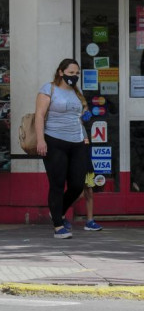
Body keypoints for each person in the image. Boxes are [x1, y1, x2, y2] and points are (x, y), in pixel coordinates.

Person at [35, 59, 90, 239]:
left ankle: (58, 211)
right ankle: (58, 225)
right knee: (57, 184)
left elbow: (79, 118)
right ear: (61, 72)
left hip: (77, 142)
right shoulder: (48, 89)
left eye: (77, 74)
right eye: (71, 73)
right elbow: (40, 116)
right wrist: (41, 140)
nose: (74, 76)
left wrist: (85, 136)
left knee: (77, 185)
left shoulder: (77, 92)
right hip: (54, 141)